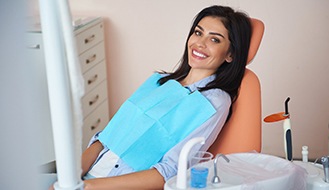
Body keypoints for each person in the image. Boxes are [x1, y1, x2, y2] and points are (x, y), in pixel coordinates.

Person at [80, 5, 252, 190]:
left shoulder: (214, 101)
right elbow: (106, 138)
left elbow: (171, 171)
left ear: (230, 54)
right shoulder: (158, 81)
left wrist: (88, 186)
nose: (200, 43)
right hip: (87, 175)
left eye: (215, 39)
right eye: (198, 32)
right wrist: (69, 179)